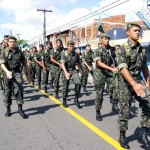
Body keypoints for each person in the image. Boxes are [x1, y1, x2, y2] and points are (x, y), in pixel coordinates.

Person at [116, 23, 150, 149]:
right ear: (128, 32)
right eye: (135, 30)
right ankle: (122, 135)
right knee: (125, 110)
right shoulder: (122, 49)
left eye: (139, 31)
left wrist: (148, 83)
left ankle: (144, 133)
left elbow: (144, 67)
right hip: (125, 82)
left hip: (138, 80)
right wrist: (134, 84)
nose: (137, 32)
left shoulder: (141, 49)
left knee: (149, 104)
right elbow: (123, 68)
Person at [0, 36, 30, 119]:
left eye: (14, 41)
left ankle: (20, 109)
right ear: (8, 42)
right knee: (8, 91)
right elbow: (1, 63)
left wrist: (28, 75)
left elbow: (25, 64)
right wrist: (7, 72)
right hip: (7, 72)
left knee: (19, 90)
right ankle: (8, 109)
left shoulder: (19, 52)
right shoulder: (4, 51)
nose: (12, 43)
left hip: (17, 73)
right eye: (11, 41)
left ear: (16, 43)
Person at [93, 33, 118, 121]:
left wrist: (113, 66)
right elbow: (99, 63)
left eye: (108, 39)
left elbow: (112, 60)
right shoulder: (97, 50)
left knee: (116, 85)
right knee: (100, 93)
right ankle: (98, 112)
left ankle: (114, 103)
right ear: (101, 40)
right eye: (105, 39)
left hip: (108, 71)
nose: (107, 40)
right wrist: (111, 69)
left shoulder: (111, 50)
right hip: (99, 73)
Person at [61, 40, 83, 108]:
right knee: (65, 86)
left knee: (78, 83)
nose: (72, 47)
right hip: (66, 69)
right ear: (67, 46)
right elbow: (62, 64)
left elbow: (79, 63)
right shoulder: (64, 53)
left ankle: (76, 98)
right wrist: (66, 73)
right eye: (70, 46)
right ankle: (64, 100)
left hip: (73, 70)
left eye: (73, 46)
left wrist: (82, 70)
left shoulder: (76, 54)